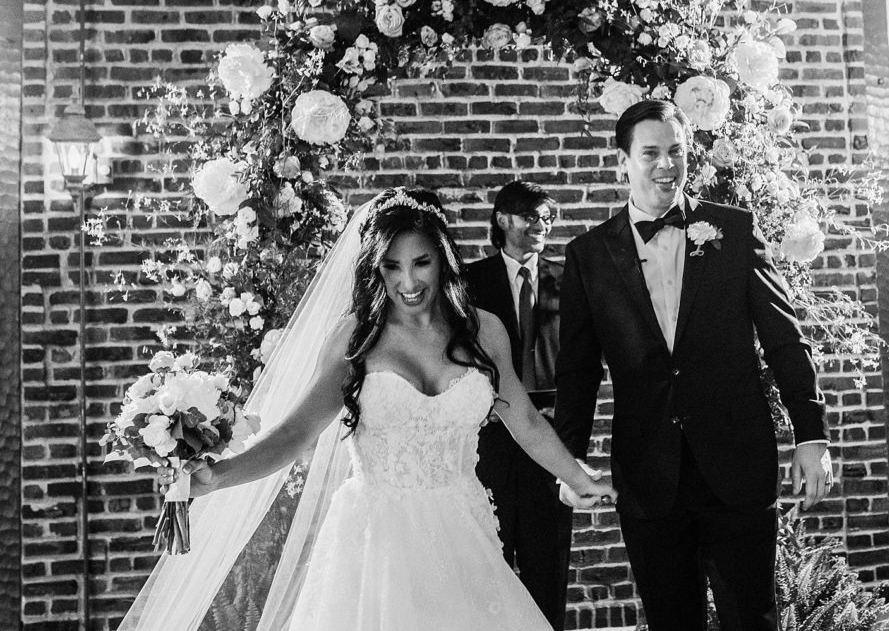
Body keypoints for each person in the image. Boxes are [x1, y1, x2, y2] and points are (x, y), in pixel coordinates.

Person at [125, 188, 615, 631]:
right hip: (375, 540)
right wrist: (220, 476)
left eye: (421, 263)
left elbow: (525, 420)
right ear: (374, 268)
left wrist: (577, 477)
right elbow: (296, 434)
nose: (408, 281)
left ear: (443, 259)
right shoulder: (355, 339)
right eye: (391, 267)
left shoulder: (483, 330)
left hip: (464, 529)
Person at [555, 100, 833, 631]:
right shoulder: (588, 256)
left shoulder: (733, 231)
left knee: (752, 617)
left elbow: (784, 340)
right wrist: (570, 461)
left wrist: (811, 435)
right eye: (651, 153)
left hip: (737, 466)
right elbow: (578, 371)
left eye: (677, 152)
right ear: (623, 162)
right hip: (648, 474)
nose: (666, 165)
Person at [465, 181, 573, 631]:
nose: (541, 226)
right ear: (503, 220)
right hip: (487, 443)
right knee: (489, 566)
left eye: (547, 218)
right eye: (531, 216)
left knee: (548, 571)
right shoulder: (470, 282)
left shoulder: (569, 281)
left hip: (548, 441)